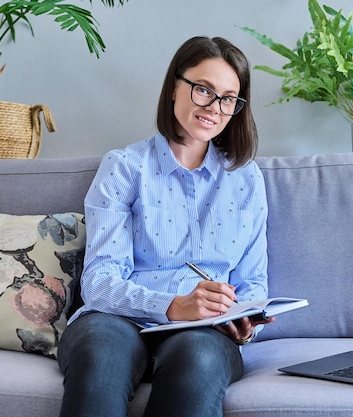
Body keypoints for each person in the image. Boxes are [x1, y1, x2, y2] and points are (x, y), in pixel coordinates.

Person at [57, 35, 271, 417]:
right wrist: (173, 306)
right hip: (116, 319)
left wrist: (245, 320)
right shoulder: (125, 167)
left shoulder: (246, 178)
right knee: (101, 353)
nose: (214, 108)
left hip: (204, 333)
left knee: (199, 359)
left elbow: (253, 282)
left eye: (228, 98)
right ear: (175, 87)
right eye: (203, 90)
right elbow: (100, 281)